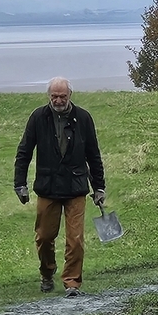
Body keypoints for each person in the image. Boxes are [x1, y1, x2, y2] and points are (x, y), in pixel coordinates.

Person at [14, 77, 106, 298]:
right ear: (49, 96)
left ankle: (72, 283)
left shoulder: (83, 118)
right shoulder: (38, 117)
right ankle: (47, 273)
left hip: (76, 187)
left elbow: (93, 155)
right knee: (44, 237)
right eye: (54, 96)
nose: (58, 100)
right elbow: (24, 151)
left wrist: (99, 187)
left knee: (75, 239)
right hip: (48, 186)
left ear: (70, 95)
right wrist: (20, 184)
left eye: (62, 96)